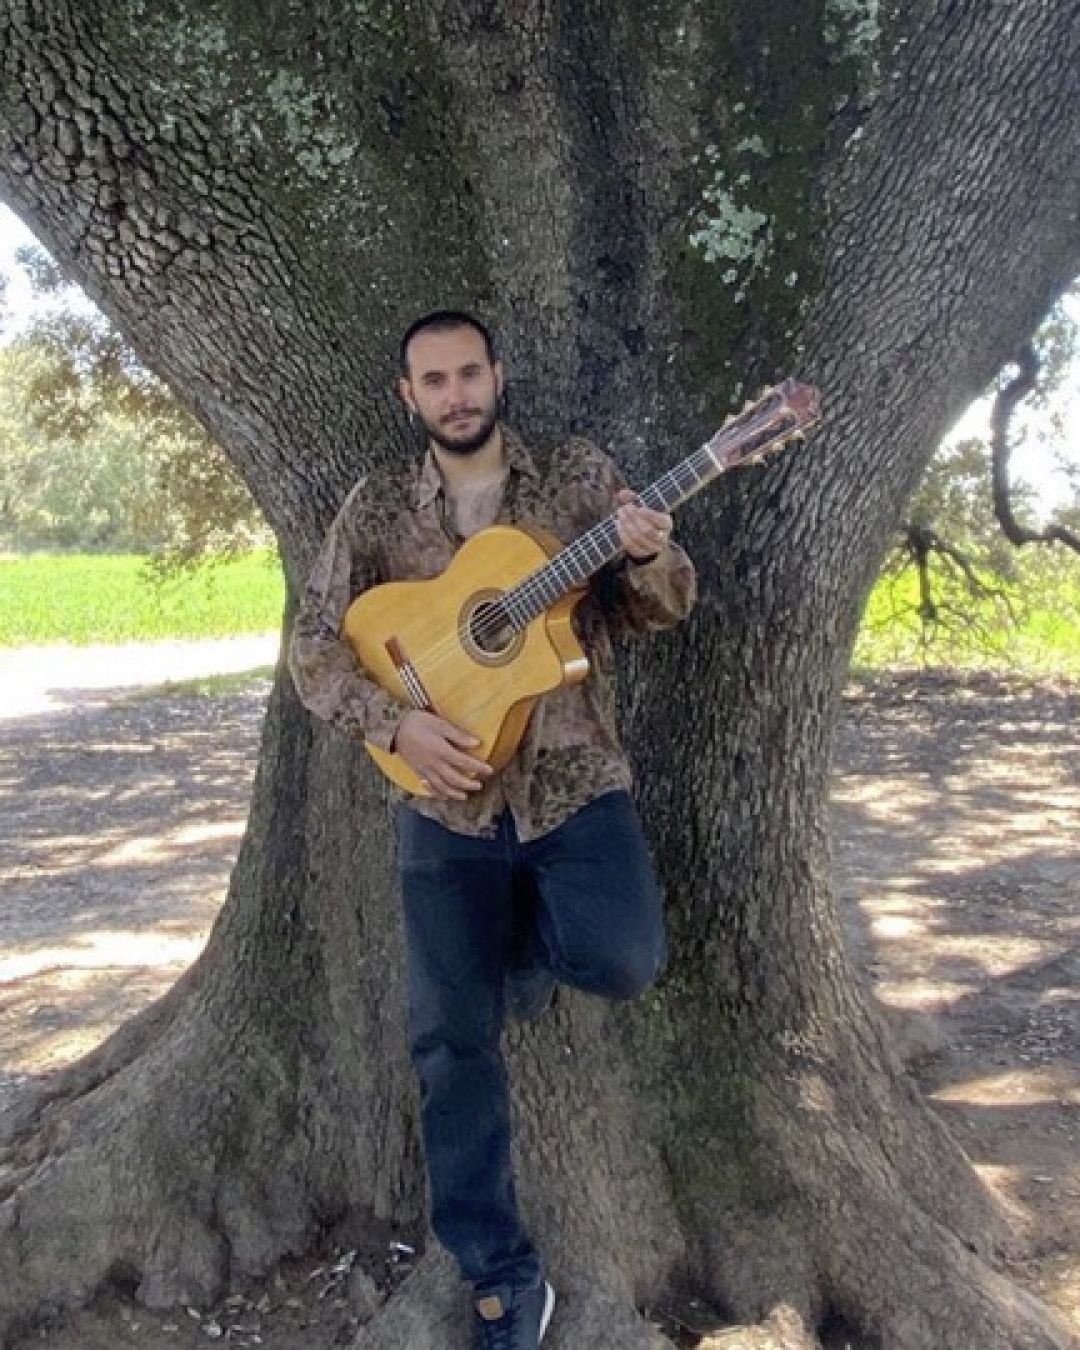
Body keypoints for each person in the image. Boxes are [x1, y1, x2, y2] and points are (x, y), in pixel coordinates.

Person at [289, 310, 696, 1349]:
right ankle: (500, 1275)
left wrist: (648, 555)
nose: (456, 394)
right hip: (443, 806)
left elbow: (660, 608)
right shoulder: (378, 508)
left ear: (498, 376)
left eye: (469, 373)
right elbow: (315, 646)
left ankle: (520, 956)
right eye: (435, 380)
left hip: (571, 786)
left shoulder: (575, 480)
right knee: (447, 1043)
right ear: (409, 397)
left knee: (621, 958)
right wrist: (395, 724)